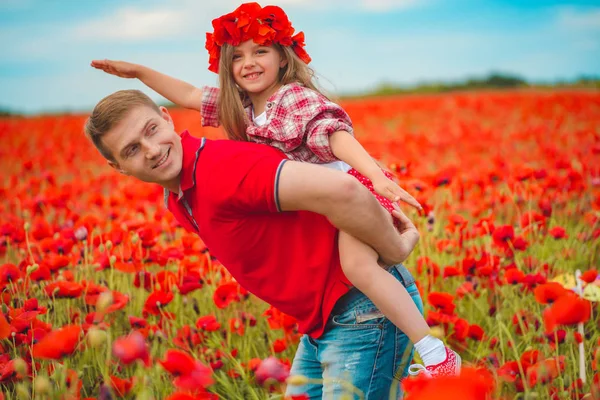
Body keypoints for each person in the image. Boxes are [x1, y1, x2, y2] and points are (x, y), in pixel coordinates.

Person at [91, 1, 461, 382]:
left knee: (359, 266)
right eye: (237, 57)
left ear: (283, 58)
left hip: (351, 189)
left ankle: (436, 354)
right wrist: (136, 72)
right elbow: (185, 93)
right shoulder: (241, 109)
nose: (249, 63)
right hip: (327, 241)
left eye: (261, 52)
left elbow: (334, 136)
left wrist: (375, 176)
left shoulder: (292, 98)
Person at [85, 89, 421, 398]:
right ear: (118, 167)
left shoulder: (219, 168)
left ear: (166, 117)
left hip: (362, 310)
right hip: (324, 321)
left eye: (151, 130)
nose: (152, 150)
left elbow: (345, 190)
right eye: (132, 149)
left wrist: (395, 249)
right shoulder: (179, 195)